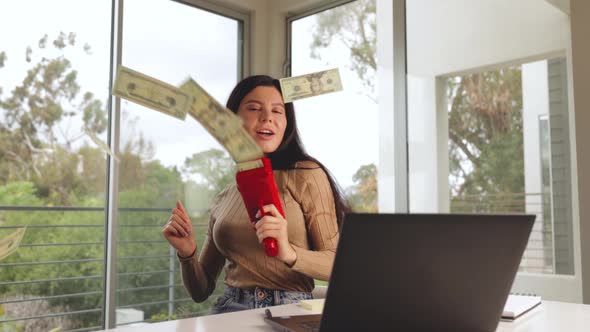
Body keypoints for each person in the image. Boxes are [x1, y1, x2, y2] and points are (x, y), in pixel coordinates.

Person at [162, 75, 349, 314]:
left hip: (288, 311)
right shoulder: (224, 196)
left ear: (286, 122)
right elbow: (200, 291)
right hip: (228, 310)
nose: (267, 117)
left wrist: (288, 252)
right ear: (231, 120)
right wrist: (187, 252)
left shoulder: (305, 174)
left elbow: (338, 264)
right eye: (254, 108)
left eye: (277, 110)